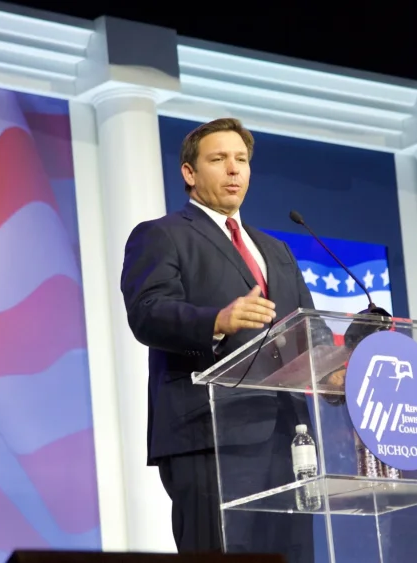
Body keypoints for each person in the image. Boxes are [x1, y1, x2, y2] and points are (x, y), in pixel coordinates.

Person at [120, 118, 322, 561]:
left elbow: (308, 328)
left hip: (288, 440)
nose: (234, 170)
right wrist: (218, 319)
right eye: (218, 159)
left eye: (242, 160)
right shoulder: (161, 235)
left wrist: (336, 368)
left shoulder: (277, 250)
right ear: (189, 173)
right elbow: (147, 313)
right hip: (209, 436)